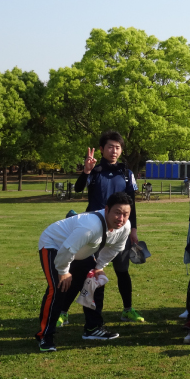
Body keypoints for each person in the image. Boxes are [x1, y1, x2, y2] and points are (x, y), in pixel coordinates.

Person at [35, 192, 133, 352]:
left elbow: (114, 249)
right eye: (117, 212)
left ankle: (93, 328)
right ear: (106, 209)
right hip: (54, 244)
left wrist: (99, 267)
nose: (121, 218)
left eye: (125, 214)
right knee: (57, 288)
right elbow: (67, 249)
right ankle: (45, 336)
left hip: (77, 250)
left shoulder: (125, 227)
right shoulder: (91, 226)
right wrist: (63, 271)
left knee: (96, 281)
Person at [68, 130, 143, 325]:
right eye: (110, 147)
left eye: (118, 147)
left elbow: (132, 204)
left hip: (120, 229)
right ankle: (62, 311)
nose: (114, 151)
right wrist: (86, 171)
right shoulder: (95, 170)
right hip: (94, 229)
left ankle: (127, 309)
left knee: (122, 270)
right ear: (102, 149)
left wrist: (133, 229)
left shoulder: (126, 173)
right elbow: (77, 189)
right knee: (84, 271)